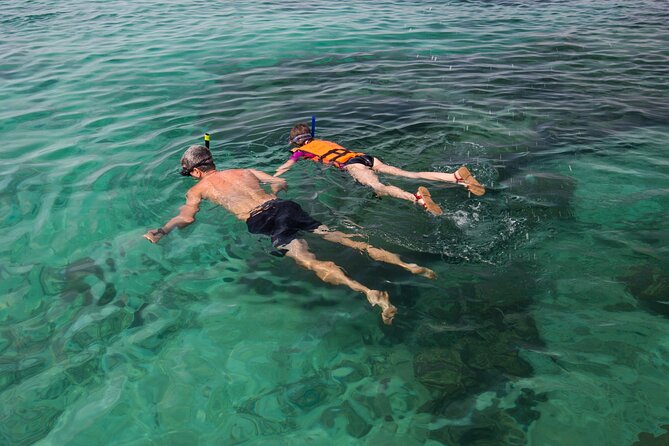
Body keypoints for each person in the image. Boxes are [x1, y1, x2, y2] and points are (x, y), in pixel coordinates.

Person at [144, 145, 436, 325]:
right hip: (285, 206)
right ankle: (407, 265)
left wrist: (163, 230)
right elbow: (280, 181)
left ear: (195, 172)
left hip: (264, 221)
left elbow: (187, 216)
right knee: (343, 238)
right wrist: (274, 192)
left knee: (308, 260)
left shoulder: (198, 189)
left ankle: (369, 293)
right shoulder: (245, 170)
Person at [274, 123, 486, 216]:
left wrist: (274, 177)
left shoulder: (301, 152)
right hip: (364, 157)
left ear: (296, 142)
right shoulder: (324, 141)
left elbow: (287, 165)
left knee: (379, 186)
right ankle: (455, 177)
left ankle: (417, 198)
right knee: (409, 174)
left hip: (352, 166)